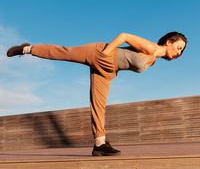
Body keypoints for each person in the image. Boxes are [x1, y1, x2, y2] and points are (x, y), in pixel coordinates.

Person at [7, 31, 187, 156]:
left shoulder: (153, 61)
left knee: (99, 105)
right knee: (65, 52)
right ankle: (27, 49)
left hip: (107, 71)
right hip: (100, 54)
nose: (179, 53)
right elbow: (125, 36)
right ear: (169, 42)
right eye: (178, 47)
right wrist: (106, 52)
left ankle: (100, 144)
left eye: (182, 51)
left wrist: (111, 66)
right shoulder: (151, 48)